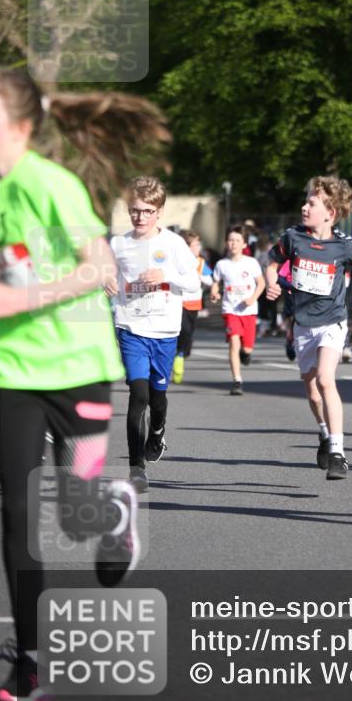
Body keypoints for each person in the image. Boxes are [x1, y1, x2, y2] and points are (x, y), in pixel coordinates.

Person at [0, 72, 139, 701]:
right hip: (10, 373)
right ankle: (28, 665)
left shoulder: (50, 184)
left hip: (80, 368)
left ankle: (115, 518)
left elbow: (100, 267)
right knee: (18, 514)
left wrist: (23, 298)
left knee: (76, 513)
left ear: (22, 129)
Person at [265, 176, 352, 480]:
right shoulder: (292, 238)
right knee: (312, 394)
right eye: (306, 199)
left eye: (311, 202)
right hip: (302, 325)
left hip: (332, 323)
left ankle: (338, 452)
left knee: (326, 380)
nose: (304, 206)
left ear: (330, 213)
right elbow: (272, 265)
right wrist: (272, 283)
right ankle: (324, 432)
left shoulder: (345, 246)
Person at [107, 177, 200, 493]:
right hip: (131, 327)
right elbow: (106, 275)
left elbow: (193, 285)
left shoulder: (173, 244)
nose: (140, 217)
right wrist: (105, 281)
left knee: (158, 398)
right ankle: (136, 468)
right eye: (134, 210)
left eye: (147, 211)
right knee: (139, 395)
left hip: (164, 331)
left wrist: (166, 276)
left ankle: (158, 431)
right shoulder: (118, 245)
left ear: (159, 211)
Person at [211, 226, 265, 395]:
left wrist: (252, 298)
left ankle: (246, 352)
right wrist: (214, 292)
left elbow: (261, 283)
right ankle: (237, 381)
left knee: (247, 349)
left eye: (237, 240)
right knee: (234, 342)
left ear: (244, 244)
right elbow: (215, 283)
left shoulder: (251, 262)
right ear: (227, 243)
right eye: (230, 240)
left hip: (248, 310)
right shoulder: (222, 264)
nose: (233, 243)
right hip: (230, 309)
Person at [172, 230, 214, 384]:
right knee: (183, 329)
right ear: (186, 247)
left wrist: (200, 276)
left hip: (195, 303)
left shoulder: (200, 262)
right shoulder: (178, 262)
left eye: (199, 243)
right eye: (195, 244)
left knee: (188, 335)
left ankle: (181, 354)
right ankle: (177, 357)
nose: (199, 246)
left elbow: (210, 280)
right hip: (179, 302)